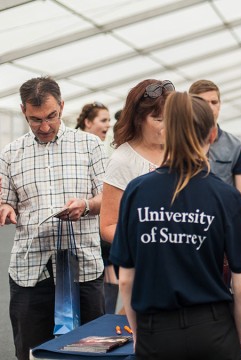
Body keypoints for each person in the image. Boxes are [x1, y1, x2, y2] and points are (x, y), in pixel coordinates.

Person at [111, 92, 241, 360]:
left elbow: (126, 279)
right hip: (213, 331)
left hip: (155, 332)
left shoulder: (136, 191)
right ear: (212, 135)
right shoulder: (227, 196)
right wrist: (237, 336)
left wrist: (139, 334)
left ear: (166, 133)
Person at [0, 76, 106, 360]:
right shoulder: (10, 153)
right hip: (30, 269)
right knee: (33, 353)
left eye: (51, 117)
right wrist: (6, 209)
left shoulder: (90, 145)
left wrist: (85, 205)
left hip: (83, 265)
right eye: (35, 120)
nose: (45, 127)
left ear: (61, 106)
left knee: (93, 350)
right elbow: (5, 201)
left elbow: (108, 198)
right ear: (23, 111)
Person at [100, 79, 174, 245]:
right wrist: (149, 241)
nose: (167, 125)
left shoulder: (179, 153)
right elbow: (108, 226)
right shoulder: (123, 160)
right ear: (138, 119)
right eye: (159, 119)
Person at [75, 102, 118, 313]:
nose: (108, 125)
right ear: (87, 122)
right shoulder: (76, 149)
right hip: (85, 233)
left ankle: (108, 318)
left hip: (99, 231)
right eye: (103, 120)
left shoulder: (100, 149)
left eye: (109, 120)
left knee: (111, 279)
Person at [189, 80, 241, 210]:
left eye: (214, 102)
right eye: (203, 102)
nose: (210, 107)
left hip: (222, 217)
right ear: (190, 105)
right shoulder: (177, 141)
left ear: (220, 105)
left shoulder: (235, 145)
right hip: (186, 216)